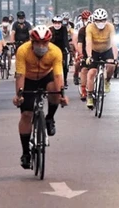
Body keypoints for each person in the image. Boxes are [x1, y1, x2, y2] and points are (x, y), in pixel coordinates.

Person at [13, 25, 69, 169]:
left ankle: (50, 118)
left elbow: (58, 75)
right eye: (38, 43)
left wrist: (62, 95)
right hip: (29, 79)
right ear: (32, 42)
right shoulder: (23, 51)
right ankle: (25, 153)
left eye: (45, 43)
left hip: (46, 76)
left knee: (54, 89)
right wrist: (19, 95)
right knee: (26, 114)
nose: (42, 46)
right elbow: (20, 75)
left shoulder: (55, 51)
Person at [85, 8, 118, 109]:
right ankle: (90, 96)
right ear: (94, 20)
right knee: (91, 73)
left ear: (106, 20)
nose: (101, 23)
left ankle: (107, 80)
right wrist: (89, 56)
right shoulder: (90, 27)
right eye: (98, 21)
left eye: (103, 20)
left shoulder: (110, 27)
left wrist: (115, 58)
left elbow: (114, 43)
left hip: (106, 50)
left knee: (111, 66)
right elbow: (89, 42)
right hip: (94, 51)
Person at [49, 15, 71, 87]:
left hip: (62, 49)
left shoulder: (64, 29)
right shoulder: (50, 29)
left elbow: (65, 40)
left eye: (59, 23)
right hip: (52, 50)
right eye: (55, 23)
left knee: (65, 66)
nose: (57, 24)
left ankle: (64, 80)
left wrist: (67, 49)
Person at [76, 13, 92, 100]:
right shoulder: (82, 30)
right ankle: (83, 90)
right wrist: (81, 54)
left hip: (97, 50)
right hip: (85, 51)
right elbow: (79, 44)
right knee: (84, 68)